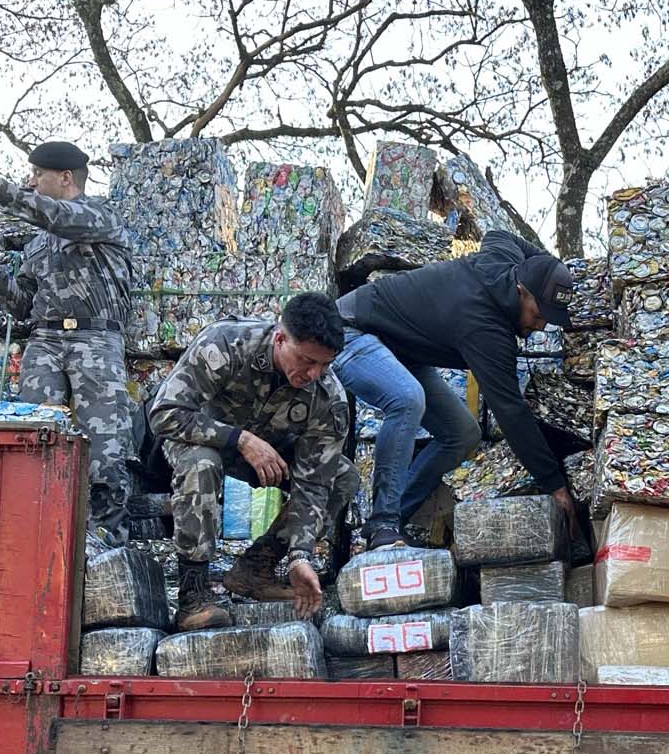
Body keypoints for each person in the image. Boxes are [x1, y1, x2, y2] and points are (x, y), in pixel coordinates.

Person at [0, 141, 136, 545]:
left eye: (37, 175)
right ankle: (39, 539)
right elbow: (22, 302)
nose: (30, 183)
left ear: (65, 178)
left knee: (104, 455)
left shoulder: (99, 218)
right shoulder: (38, 244)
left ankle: (108, 549)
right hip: (45, 339)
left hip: (95, 339)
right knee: (36, 440)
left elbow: (54, 215)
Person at [330, 230, 575, 548]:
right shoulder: (486, 330)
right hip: (350, 329)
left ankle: (395, 518)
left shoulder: (503, 259)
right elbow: (511, 412)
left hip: (402, 350)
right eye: (538, 314)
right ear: (520, 290)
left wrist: (549, 266)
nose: (540, 326)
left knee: (463, 434)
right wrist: (554, 484)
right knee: (406, 399)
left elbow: (498, 234)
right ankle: (383, 525)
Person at [147, 294, 355, 630]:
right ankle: (193, 599)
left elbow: (315, 482)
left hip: (267, 454)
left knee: (343, 476)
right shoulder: (226, 344)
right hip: (196, 435)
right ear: (280, 338)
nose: (313, 373)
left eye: (324, 365)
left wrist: (299, 554)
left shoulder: (328, 398)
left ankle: (256, 568)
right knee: (202, 464)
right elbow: (165, 415)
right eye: (305, 360)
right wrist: (240, 439)